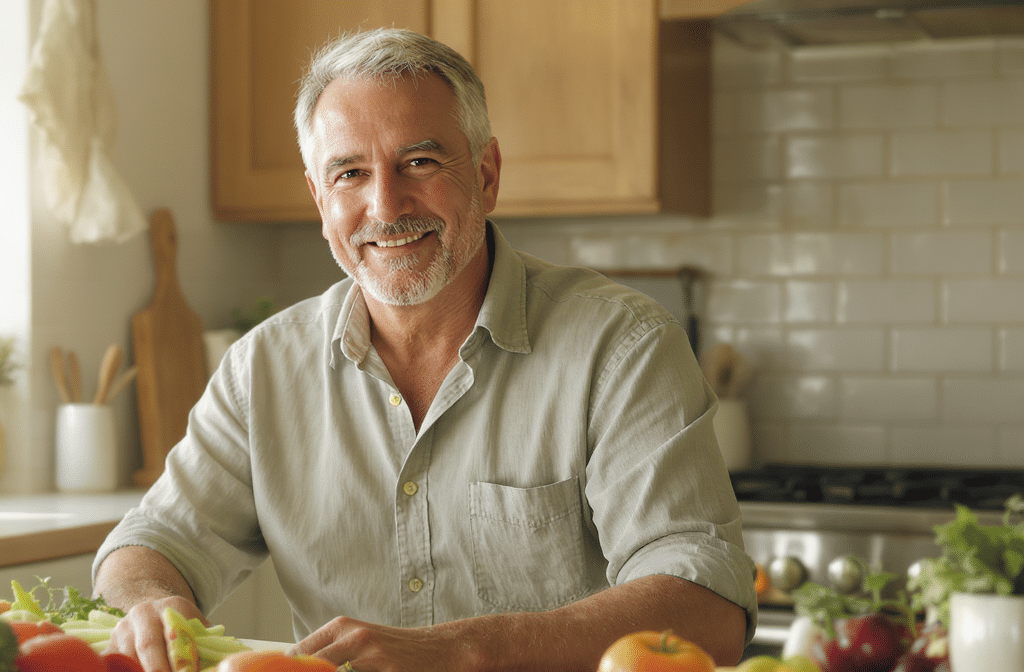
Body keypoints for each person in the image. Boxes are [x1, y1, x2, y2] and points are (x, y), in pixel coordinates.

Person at [93, 28, 756, 672]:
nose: (386, 205)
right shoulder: (261, 369)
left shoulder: (621, 347)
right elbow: (149, 545)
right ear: (319, 199)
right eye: (350, 173)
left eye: (420, 162)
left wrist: (465, 652)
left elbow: (708, 605)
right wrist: (154, 603)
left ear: (487, 174)